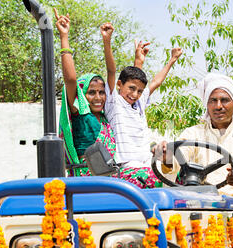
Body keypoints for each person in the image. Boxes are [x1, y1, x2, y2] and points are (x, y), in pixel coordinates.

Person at [55, 9, 161, 188]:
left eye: (102, 92)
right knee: (151, 179)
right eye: (92, 92)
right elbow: (71, 80)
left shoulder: (107, 116)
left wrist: (139, 62)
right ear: (82, 95)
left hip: (113, 177)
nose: (98, 97)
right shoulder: (82, 115)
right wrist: (64, 37)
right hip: (89, 179)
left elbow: (131, 93)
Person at [153, 73, 233, 245]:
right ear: (207, 105)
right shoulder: (193, 133)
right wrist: (167, 158)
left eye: (224, 100)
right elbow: (179, 159)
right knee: (170, 240)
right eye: (212, 101)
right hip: (199, 204)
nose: (218, 106)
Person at [103, 30, 183, 169]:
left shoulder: (138, 103)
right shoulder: (114, 102)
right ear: (119, 84)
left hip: (147, 161)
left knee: (176, 172)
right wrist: (107, 40)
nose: (135, 94)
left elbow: (156, 82)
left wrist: (172, 60)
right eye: (131, 89)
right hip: (127, 165)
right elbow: (111, 71)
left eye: (139, 91)